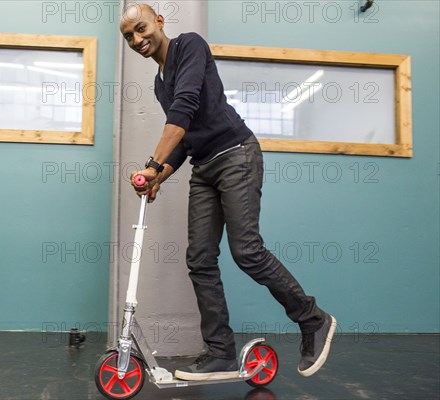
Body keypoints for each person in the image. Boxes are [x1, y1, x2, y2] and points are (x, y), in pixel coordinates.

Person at [119, 3, 336, 381]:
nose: (137, 39)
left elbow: (183, 109)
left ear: (158, 21)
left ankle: (313, 319)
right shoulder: (159, 82)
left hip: (236, 154)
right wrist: (159, 177)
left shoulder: (189, 45)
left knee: (247, 251)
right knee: (200, 259)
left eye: (140, 29)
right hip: (204, 167)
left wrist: (152, 164)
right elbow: (184, 141)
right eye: (128, 36)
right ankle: (220, 352)